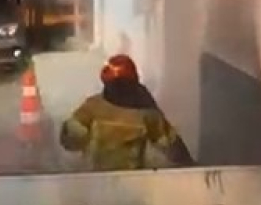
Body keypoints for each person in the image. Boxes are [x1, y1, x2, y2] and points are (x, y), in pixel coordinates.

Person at [60, 54, 195, 171]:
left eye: (122, 84)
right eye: (117, 85)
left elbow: (171, 145)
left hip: (119, 181)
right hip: (103, 180)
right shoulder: (94, 107)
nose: (121, 91)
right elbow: (71, 139)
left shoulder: (146, 113)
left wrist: (190, 168)